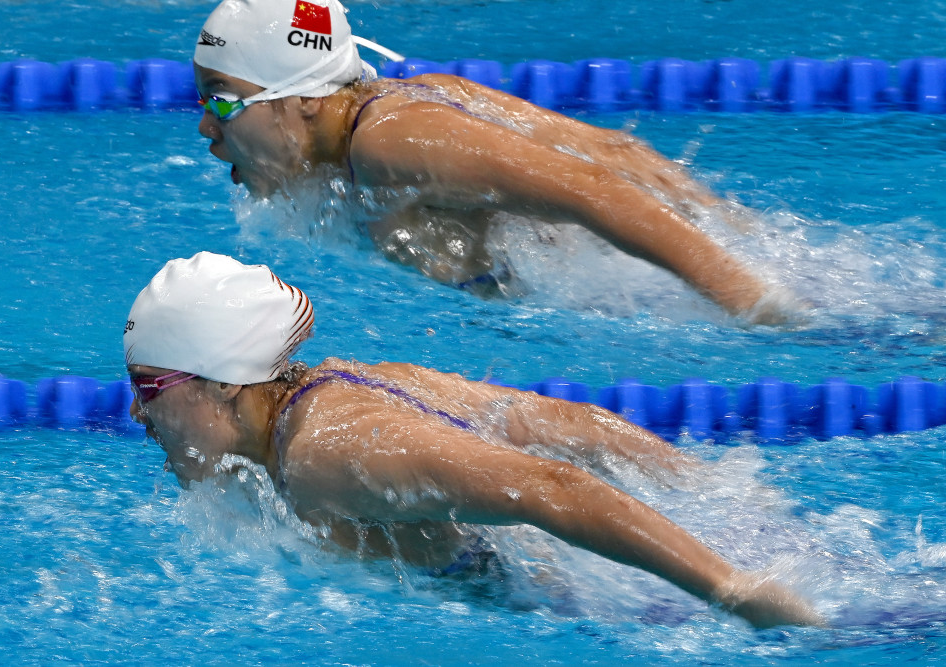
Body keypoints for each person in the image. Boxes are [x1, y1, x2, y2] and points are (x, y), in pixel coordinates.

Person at [124, 251, 823, 628]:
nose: (136, 413)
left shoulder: (326, 453)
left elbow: (552, 485)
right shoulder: (340, 385)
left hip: (613, 613)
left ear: (220, 381)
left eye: (150, 388)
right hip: (600, 590)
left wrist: (732, 588)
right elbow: (570, 425)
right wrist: (719, 493)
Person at [192, 0, 789, 322]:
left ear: (299, 99)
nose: (204, 126)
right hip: (638, 287)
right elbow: (616, 150)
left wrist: (748, 300)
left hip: (654, 298)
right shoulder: (376, 127)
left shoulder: (392, 142)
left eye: (221, 98)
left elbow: (593, 184)